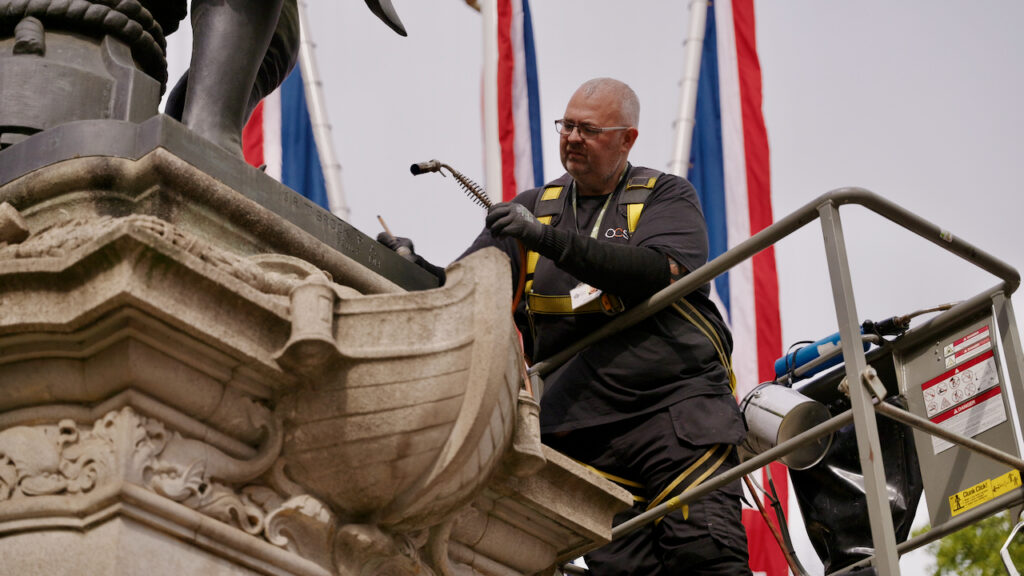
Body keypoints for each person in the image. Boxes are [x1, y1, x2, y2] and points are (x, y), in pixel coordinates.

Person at [381, 78, 751, 575]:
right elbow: (470, 292)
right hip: (584, 440)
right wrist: (407, 265)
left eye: (589, 129)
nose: (572, 138)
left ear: (627, 139)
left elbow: (655, 270)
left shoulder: (664, 196)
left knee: (706, 556)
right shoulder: (534, 207)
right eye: (567, 126)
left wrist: (545, 240)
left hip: (673, 417)